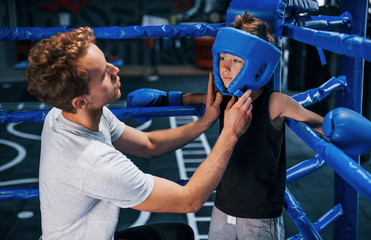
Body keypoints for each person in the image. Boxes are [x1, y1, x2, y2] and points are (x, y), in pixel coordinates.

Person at [25, 26, 254, 240]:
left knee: (177, 234)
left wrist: (204, 122)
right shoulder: (93, 162)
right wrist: (230, 133)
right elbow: (189, 201)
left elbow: (147, 144)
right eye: (103, 74)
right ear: (81, 102)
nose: (115, 70)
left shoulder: (64, 113)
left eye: (108, 63)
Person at [126, 12, 324, 240]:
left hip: (259, 216)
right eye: (223, 58)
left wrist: (338, 131)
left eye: (237, 60)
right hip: (222, 207)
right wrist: (160, 99)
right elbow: (191, 98)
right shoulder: (225, 97)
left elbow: (316, 122)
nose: (226, 68)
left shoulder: (275, 102)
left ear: (259, 64)